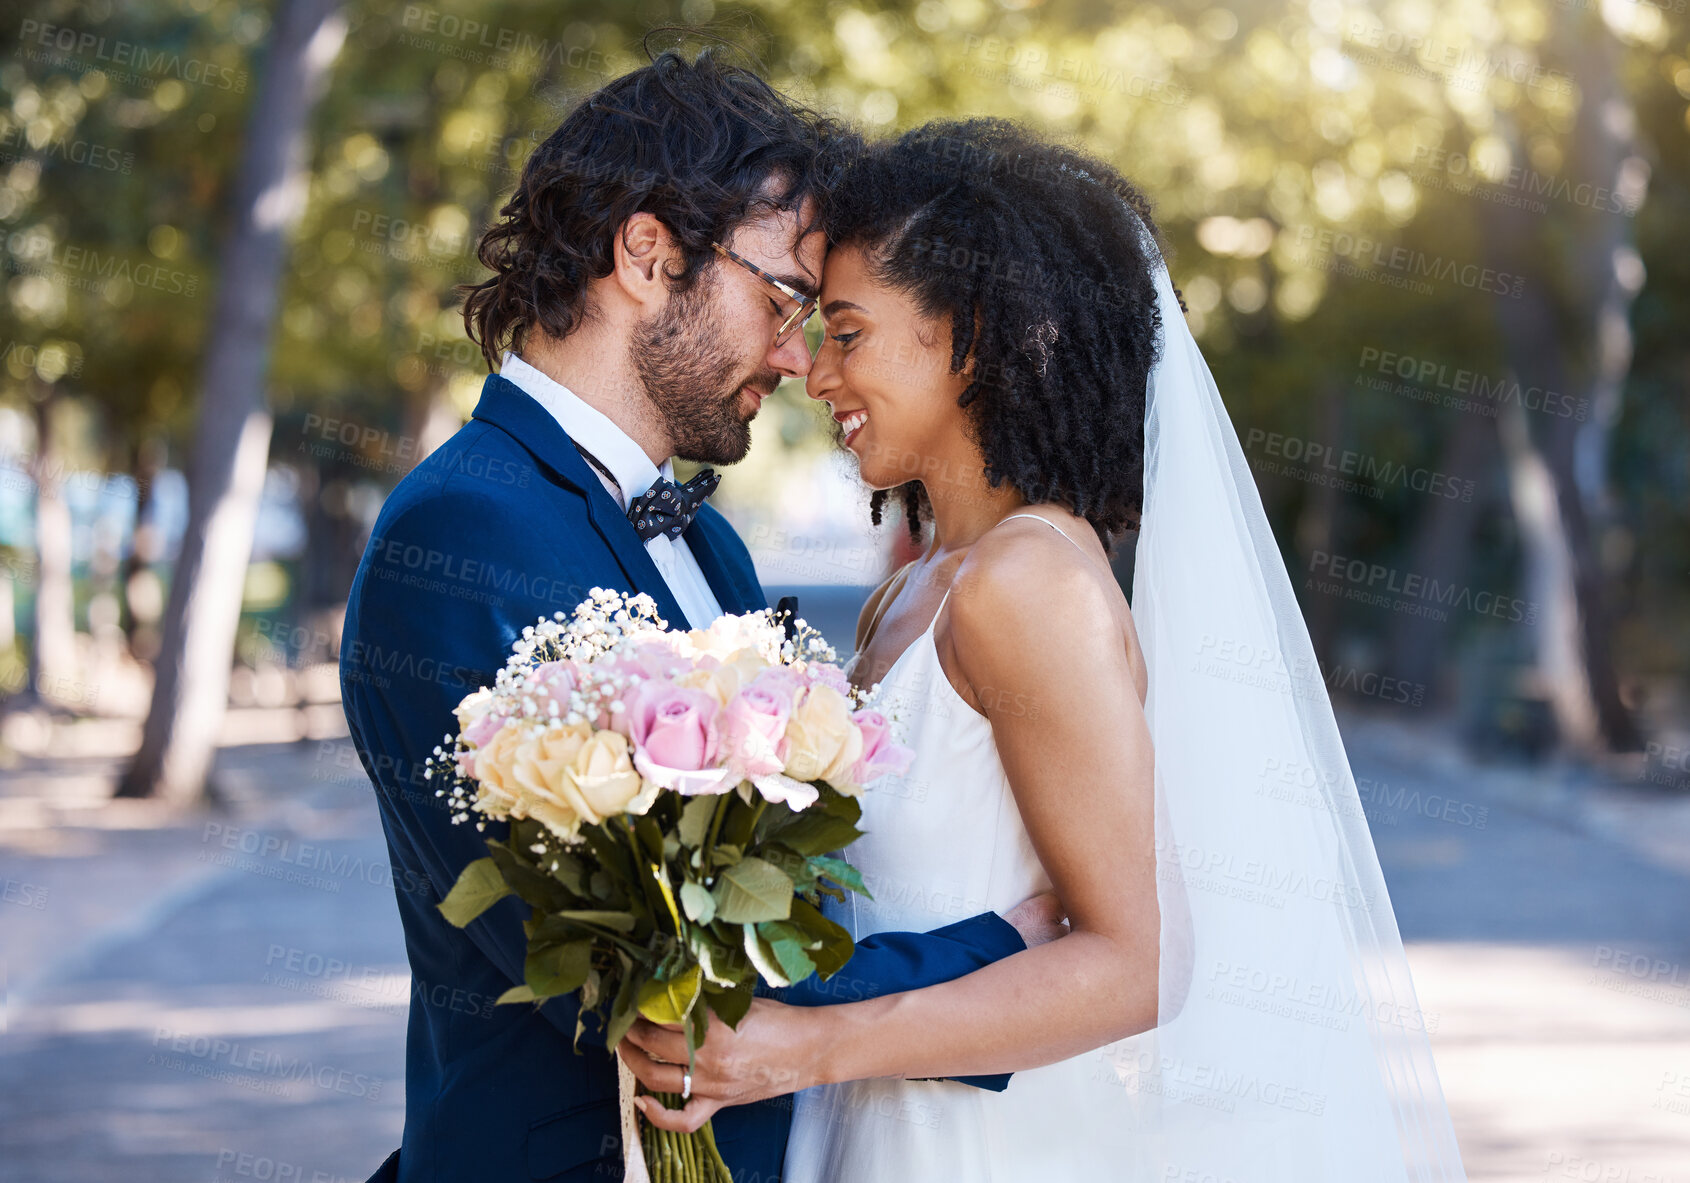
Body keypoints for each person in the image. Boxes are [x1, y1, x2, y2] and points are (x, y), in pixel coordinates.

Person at [620, 120, 1470, 1181]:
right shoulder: (911, 592)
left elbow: (1138, 963)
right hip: (862, 1128)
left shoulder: (1027, 585)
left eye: (847, 332)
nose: (815, 372)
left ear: (971, 333)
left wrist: (807, 1047)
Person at [339, 64, 1055, 1183]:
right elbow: (647, 989)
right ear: (644, 254)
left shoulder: (710, 543)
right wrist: (1013, 949)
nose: (792, 356)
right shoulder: (461, 532)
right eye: (779, 302)